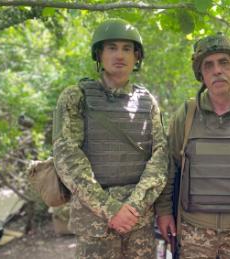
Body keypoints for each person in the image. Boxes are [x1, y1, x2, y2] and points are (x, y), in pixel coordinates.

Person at [52, 18, 167, 258]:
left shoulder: (148, 102)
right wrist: (111, 209)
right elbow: (68, 159)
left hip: (138, 221)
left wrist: (133, 206)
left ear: (137, 57)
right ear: (99, 54)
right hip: (95, 223)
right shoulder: (76, 97)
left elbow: (160, 157)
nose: (120, 55)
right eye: (112, 47)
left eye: (127, 49)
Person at [154, 33, 230, 258]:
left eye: (224, 63)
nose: (217, 70)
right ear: (201, 75)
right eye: (208, 65)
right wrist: (163, 212)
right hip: (194, 231)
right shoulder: (187, 115)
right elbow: (169, 166)